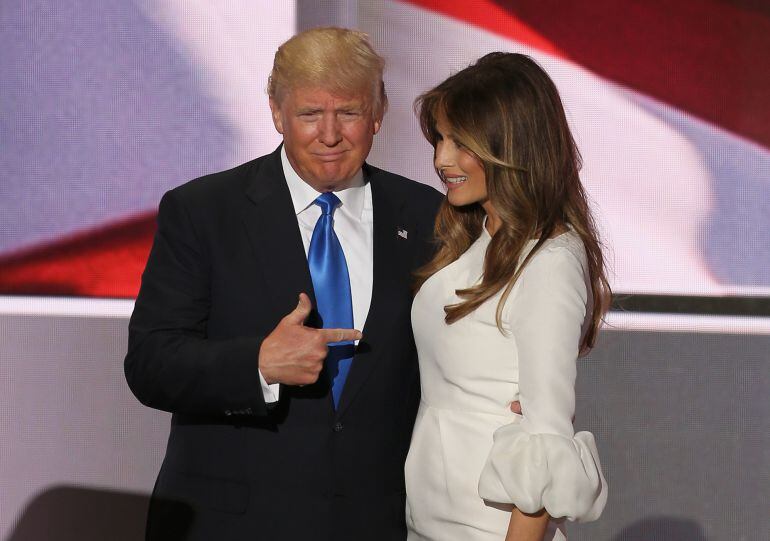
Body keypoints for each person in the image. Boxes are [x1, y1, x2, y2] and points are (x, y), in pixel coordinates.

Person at [125, 27, 442, 540]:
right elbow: (150, 363)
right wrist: (257, 365)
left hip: (373, 523)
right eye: (310, 114)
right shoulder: (203, 211)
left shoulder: (427, 216)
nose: (331, 134)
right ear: (276, 113)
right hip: (230, 525)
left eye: (350, 112)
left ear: (379, 113)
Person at [404, 52, 610, 541]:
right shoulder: (481, 238)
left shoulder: (550, 259)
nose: (441, 160)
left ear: (511, 145)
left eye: (461, 142)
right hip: (432, 522)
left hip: (488, 530)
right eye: (440, 139)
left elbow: (547, 438)